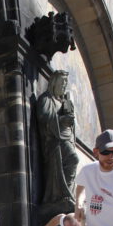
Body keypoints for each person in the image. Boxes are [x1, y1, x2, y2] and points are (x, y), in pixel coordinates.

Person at [36, 70, 79, 210]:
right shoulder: (46, 99)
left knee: (73, 159)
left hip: (66, 137)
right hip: (54, 142)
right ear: (54, 83)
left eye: (66, 82)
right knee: (73, 158)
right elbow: (43, 117)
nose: (64, 85)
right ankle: (60, 194)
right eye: (62, 82)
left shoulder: (65, 102)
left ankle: (67, 193)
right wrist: (60, 120)